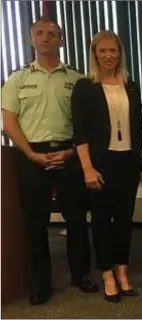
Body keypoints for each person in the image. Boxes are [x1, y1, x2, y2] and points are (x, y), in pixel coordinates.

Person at [1, 18, 98, 305]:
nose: (46, 38)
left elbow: (86, 122)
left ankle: (81, 275)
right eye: (40, 34)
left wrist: (70, 153)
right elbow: (9, 121)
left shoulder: (76, 79)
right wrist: (31, 154)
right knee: (35, 223)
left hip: (69, 155)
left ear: (61, 40)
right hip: (32, 156)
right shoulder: (17, 79)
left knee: (78, 220)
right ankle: (41, 283)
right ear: (31, 40)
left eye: (52, 34)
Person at [70, 30, 142, 303]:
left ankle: (122, 271)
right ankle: (106, 273)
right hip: (101, 162)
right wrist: (87, 168)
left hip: (128, 161)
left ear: (120, 54)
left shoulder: (130, 85)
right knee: (101, 221)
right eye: (103, 51)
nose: (108, 56)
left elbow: (137, 126)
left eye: (113, 51)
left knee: (124, 220)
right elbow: (81, 133)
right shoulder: (85, 87)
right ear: (95, 53)